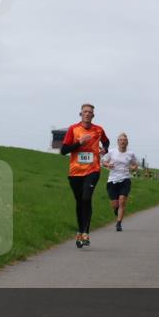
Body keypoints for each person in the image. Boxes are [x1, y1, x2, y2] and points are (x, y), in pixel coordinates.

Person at [60, 103, 110, 248]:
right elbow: (63, 150)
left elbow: (106, 142)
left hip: (93, 170)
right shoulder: (73, 129)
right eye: (85, 111)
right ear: (80, 114)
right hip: (75, 172)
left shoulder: (98, 129)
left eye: (90, 112)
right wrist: (79, 143)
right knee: (80, 202)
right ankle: (81, 231)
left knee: (86, 198)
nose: (87, 113)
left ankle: (84, 232)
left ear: (93, 115)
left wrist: (105, 149)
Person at [101, 133, 138, 231]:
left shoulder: (130, 154)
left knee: (122, 201)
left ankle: (119, 223)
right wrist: (108, 165)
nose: (122, 142)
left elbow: (135, 165)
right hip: (112, 180)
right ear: (118, 142)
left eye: (124, 140)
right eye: (121, 140)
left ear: (127, 142)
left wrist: (133, 168)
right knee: (115, 204)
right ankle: (117, 211)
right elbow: (103, 161)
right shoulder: (112, 152)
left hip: (125, 179)